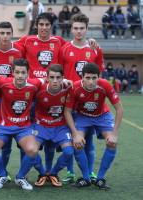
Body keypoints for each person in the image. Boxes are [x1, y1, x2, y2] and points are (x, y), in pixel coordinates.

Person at [59, 13, 105, 185]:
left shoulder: (94, 48)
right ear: (71, 29)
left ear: (86, 29)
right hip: (69, 101)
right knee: (71, 138)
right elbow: (59, 73)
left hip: (89, 102)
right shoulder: (64, 48)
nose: (78, 31)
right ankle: (71, 172)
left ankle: (90, 172)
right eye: (75, 28)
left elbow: (100, 75)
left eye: (82, 28)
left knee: (89, 139)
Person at [0, 58, 44, 190]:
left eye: (23, 73)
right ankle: (2, 175)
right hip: (3, 126)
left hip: (23, 127)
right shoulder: (4, 83)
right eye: (17, 72)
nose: (20, 76)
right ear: (12, 73)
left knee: (33, 149)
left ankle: (21, 177)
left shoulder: (34, 84)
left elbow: (47, 79)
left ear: (28, 73)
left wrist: (64, 81)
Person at [64, 63, 123, 189]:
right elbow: (67, 111)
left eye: (94, 78)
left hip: (102, 116)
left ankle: (100, 179)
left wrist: (114, 134)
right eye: (88, 78)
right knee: (78, 143)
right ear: (82, 77)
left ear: (99, 77)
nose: (91, 82)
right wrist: (75, 134)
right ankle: (86, 178)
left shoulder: (105, 85)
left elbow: (119, 109)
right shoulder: (75, 87)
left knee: (112, 143)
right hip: (82, 117)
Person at [0, 21, 25, 181]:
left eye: (8, 33)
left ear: (12, 34)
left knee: (6, 140)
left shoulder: (19, 51)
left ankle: (3, 172)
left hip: (10, 100)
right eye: (2, 33)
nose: (5, 36)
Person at [32, 64, 74, 188]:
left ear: (63, 78)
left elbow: (85, 83)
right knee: (30, 150)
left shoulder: (68, 88)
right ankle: (42, 173)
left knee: (69, 151)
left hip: (60, 125)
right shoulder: (39, 89)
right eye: (52, 77)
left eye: (58, 77)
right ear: (47, 78)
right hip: (41, 125)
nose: (55, 81)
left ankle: (53, 173)